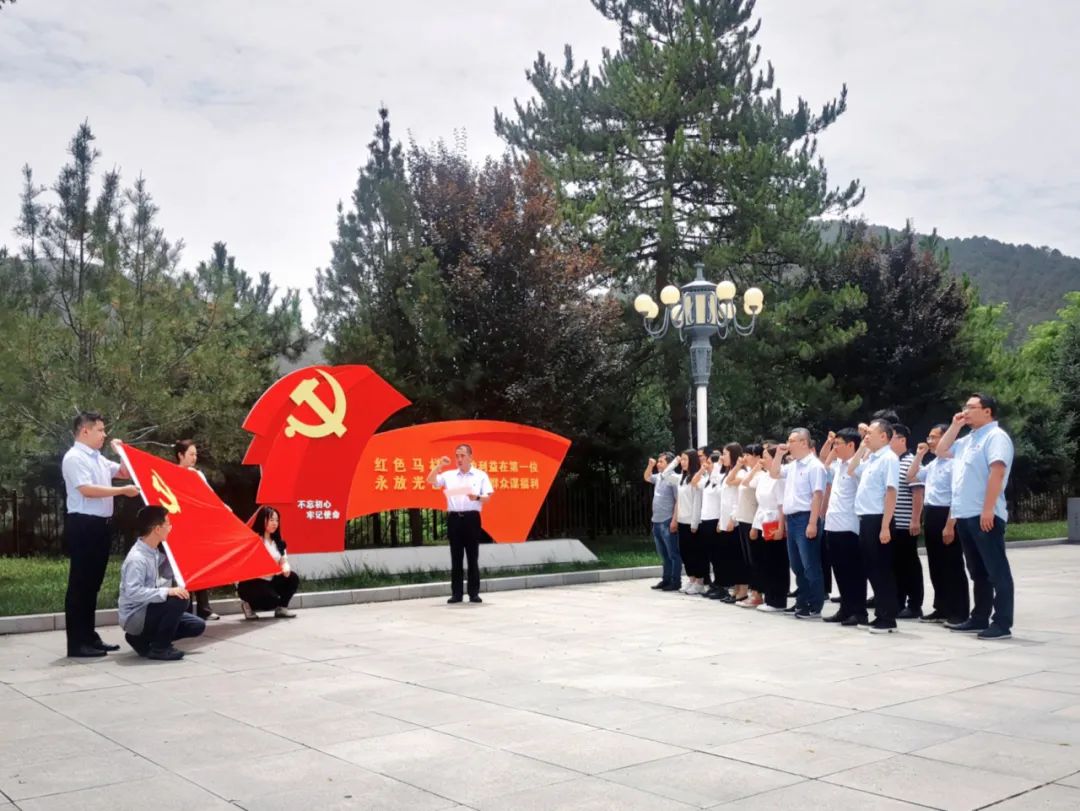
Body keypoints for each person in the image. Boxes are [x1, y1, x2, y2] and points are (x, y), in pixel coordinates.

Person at [60, 411, 140, 658]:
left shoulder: (98, 458)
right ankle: (77, 643)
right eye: (100, 430)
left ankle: (89, 637)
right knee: (80, 584)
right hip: (83, 524)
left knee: (92, 584)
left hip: (100, 525)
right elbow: (87, 490)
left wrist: (122, 452)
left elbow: (124, 473)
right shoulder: (74, 457)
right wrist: (121, 492)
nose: (104, 435)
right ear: (85, 431)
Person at [935, 394, 1015, 640]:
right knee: (978, 571)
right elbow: (941, 450)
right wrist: (955, 426)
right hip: (965, 514)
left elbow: (997, 473)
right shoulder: (967, 439)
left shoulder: (995, 437)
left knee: (996, 570)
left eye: (971, 407)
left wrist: (988, 509)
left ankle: (1002, 622)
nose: (966, 411)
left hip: (984, 514)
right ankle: (979, 617)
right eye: (965, 407)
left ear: (987, 411)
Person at [118, 506, 206, 660]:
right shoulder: (137, 558)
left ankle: (141, 639)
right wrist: (167, 592)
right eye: (168, 524)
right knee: (179, 599)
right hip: (134, 616)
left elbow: (166, 572)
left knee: (197, 626)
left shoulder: (153, 551)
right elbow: (133, 592)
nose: (170, 528)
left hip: (149, 609)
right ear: (157, 529)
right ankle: (160, 648)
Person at [908, 425, 969, 625]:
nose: (930, 441)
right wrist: (919, 455)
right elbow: (911, 476)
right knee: (936, 564)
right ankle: (941, 607)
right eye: (929, 437)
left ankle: (959, 611)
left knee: (952, 565)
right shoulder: (933, 464)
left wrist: (950, 525)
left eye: (934, 437)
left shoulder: (954, 464)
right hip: (932, 513)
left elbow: (957, 496)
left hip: (947, 515)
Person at [850, 419, 901, 634]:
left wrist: (885, 525)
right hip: (866, 519)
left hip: (879, 519)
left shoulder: (889, 458)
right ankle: (881, 613)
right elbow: (851, 469)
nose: (866, 435)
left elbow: (891, 492)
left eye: (871, 433)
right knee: (872, 568)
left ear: (884, 436)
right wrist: (862, 446)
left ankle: (887, 618)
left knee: (882, 570)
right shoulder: (871, 458)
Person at [771, 428, 828, 619]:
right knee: (797, 565)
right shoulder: (793, 465)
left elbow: (817, 495)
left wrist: (812, 523)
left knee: (810, 564)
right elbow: (774, 473)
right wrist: (778, 455)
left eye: (792, 441)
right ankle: (802, 600)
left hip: (806, 517)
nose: (788, 444)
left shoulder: (815, 466)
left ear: (804, 443)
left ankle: (815, 604)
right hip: (792, 519)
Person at [429, 444, 495, 604]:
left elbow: (487, 498)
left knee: (472, 557)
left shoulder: (480, 475)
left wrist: (476, 497)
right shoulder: (449, 475)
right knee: (456, 557)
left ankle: (474, 593)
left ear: (470, 457)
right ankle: (456, 594)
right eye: (457, 456)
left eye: (462, 455)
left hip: (472, 518)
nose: (459, 459)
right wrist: (439, 465)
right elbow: (430, 480)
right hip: (454, 519)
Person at [821, 428, 868, 626]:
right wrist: (831, 446)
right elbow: (824, 465)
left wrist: (863, 447)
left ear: (851, 445)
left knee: (854, 572)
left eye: (838, 444)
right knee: (839, 571)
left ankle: (859, 611)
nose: (835, 447)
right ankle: (845, 608)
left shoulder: (858, 467)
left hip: (849, 526)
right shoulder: (838, 465)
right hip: (833, 525)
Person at [174, 439, 219, 621]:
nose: (194, 458)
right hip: (179, 528)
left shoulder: (197, 475)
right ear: (180, 455)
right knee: (184, 570)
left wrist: (222, 507)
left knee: (200, 566)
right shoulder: (170, 473)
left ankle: (204, 609)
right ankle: (185, 610)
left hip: (197, 527)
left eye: (195, 454)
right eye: (191, 454)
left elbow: (209, 496)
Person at [237, 506, 300, 619]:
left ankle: (282, 609)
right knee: (271, 601)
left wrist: (286, 567)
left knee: (293, 578)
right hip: (253, 582)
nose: (275, 523)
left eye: (277, 520)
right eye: (271, 520)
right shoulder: (254, 540)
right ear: (262, 520)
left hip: (271, 580)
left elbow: (283, 560)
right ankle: (248, 605)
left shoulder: (278, 542)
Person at [890, 425, 925, 619]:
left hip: (906, 523)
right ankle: (897, 602)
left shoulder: (912, 462)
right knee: (896, 565)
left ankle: (914, 604)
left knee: (909, 565)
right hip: (892, 524)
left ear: (902, 440)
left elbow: (918, 493)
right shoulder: (891, 461)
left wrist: (915, 520)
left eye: (892, 437)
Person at [754, 444, 789, 613]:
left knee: (778, 562)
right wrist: (756, 525)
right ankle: (770, 597)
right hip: (765, 522)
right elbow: (761, 504)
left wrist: (781, 528)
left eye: (766, 456)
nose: (762, 459)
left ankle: (778, 600)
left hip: (776, 521)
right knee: (768, 561)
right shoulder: (764, 477)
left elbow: (782, 505)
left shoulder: (779, 478)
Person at [729, 445, 762, 605]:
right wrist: (739, 466)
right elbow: (730, 480)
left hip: (752, 521)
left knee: (755, 559)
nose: (745, 458)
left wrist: (756, 467)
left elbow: (748, 484)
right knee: (748, 559)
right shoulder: (749, 473)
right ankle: (753, 592)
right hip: (743, 519)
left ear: (757, 456)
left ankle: (757, 594)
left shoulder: (760, 475)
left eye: (748, 455)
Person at [644, 453, 682, 591]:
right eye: (658, 461)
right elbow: (647, 477)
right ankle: (666, 580)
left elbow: (678, 500)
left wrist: (674, 520)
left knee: (673, 554)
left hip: (667, 521)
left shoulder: (673, 479)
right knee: (664, 555)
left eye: (661, 462)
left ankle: (675, 581)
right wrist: (650, 465)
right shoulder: (659, 477)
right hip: (656, 521)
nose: (658, 464)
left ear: (669, 463)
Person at [711, 443, 743, 602]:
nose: (722, 457)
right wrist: (720, 520)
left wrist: (732, 518)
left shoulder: (740, 472)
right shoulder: (727, 473)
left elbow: (738, 499)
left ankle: (742, 591)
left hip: (734, 522)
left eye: (725, 454)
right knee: (729, 558)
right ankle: (735, 591)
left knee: (737, 558)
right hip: (724, 520)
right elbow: (723, 499)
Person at [672, 450, 705, 594]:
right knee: (685, 553)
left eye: (685, 459)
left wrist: (694, 523)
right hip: (682, 521)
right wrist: (675, 461)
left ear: (692, 460)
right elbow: (665, 475)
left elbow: (697, 502)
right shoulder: (681, 478)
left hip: (692, 522)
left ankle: (699, 582)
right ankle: (691, 579)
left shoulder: (697, 478)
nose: (682, 462)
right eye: (682, 460)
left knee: (696, 553)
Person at [698, 450, 726, 598]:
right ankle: (716, 584)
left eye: (709, 463)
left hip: (715, 520)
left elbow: (722, 500)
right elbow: (694, 482)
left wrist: (716, 468)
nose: (706, 465)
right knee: (711, 555)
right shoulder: (708, 480)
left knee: (718, 556)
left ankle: (721, 586)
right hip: (706, 520)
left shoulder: (720, 478)